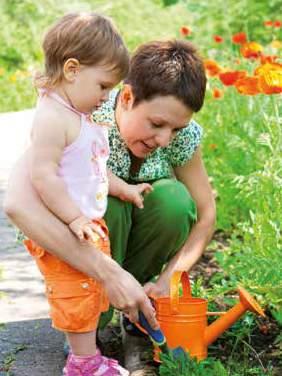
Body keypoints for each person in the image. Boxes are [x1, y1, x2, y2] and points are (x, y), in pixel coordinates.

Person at [4, 39, 216, 370]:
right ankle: (89, 327)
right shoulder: (86, 113)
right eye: (157, 124)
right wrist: (109, 275)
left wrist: (168, 280)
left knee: (174, 202)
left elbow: (206, 216)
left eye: (177, 129)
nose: (164, 139)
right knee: (105, 204)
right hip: (89, 242)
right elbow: (24, 196)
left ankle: (139, 315)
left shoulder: (181, 138)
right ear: (127, 97)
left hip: (140, 239)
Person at [8, 11, 157, 376]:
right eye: (104, 86)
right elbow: (42, 176)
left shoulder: (79, 114)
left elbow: (94, 165)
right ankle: (81, 364)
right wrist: (74, 217)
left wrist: (125, 188)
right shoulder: (52, 118)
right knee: (76, 293)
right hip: (64, 227)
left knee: (91, 292)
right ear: (72, 69)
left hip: (84, 224)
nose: (106, 96)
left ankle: (89, 355)